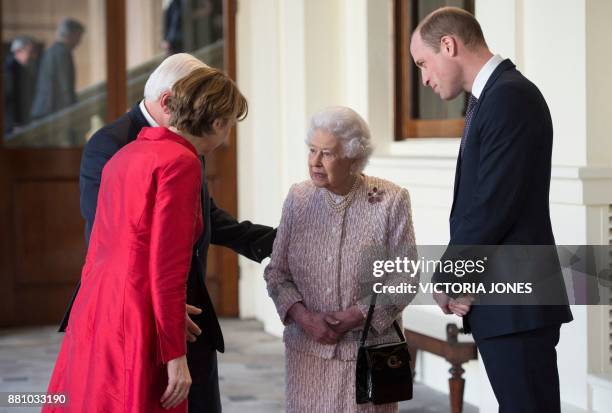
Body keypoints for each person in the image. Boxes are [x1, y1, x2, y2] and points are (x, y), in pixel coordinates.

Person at [58, 52, 276, 412]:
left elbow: (200, 219)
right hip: (146, 312)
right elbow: (153, 258)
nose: (226, 139)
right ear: (213, 118)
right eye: (229, 126)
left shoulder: (146, 148)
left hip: (124, 307)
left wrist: (278, 239)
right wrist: (172, 341)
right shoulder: (167, 156)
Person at [409, 7, 573, 413]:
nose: (424, 78)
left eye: (423, 63)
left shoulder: (509, 97)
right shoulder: (492, 97)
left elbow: (492, 206)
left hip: (517, 304)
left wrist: (450, 277)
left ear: (448, 45)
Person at [264, 106, 417, 413]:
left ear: (353, 157)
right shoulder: (299, 199)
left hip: (368, 357)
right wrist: (305, 319)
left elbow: (405, 276)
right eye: (312, 151)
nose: (315, 162)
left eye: (327, 154)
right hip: (307, 355)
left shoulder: (389, 200)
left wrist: (357, 314)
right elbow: (277, 273)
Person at [30, 18, 84, 119]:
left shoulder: (54, 51)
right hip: (50, 110)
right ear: (71, 35)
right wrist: (73, 110)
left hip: (46, 109)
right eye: (78, 36)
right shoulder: (61, 53)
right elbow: (64, 86)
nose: (79, 41)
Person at [4, 36, 36, 133]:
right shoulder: (10, 69)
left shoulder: (23, 68)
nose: (32, 56)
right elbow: (10, 99)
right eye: (29, 52)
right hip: (13, 126)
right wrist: (15, 124)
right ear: (18, 52)